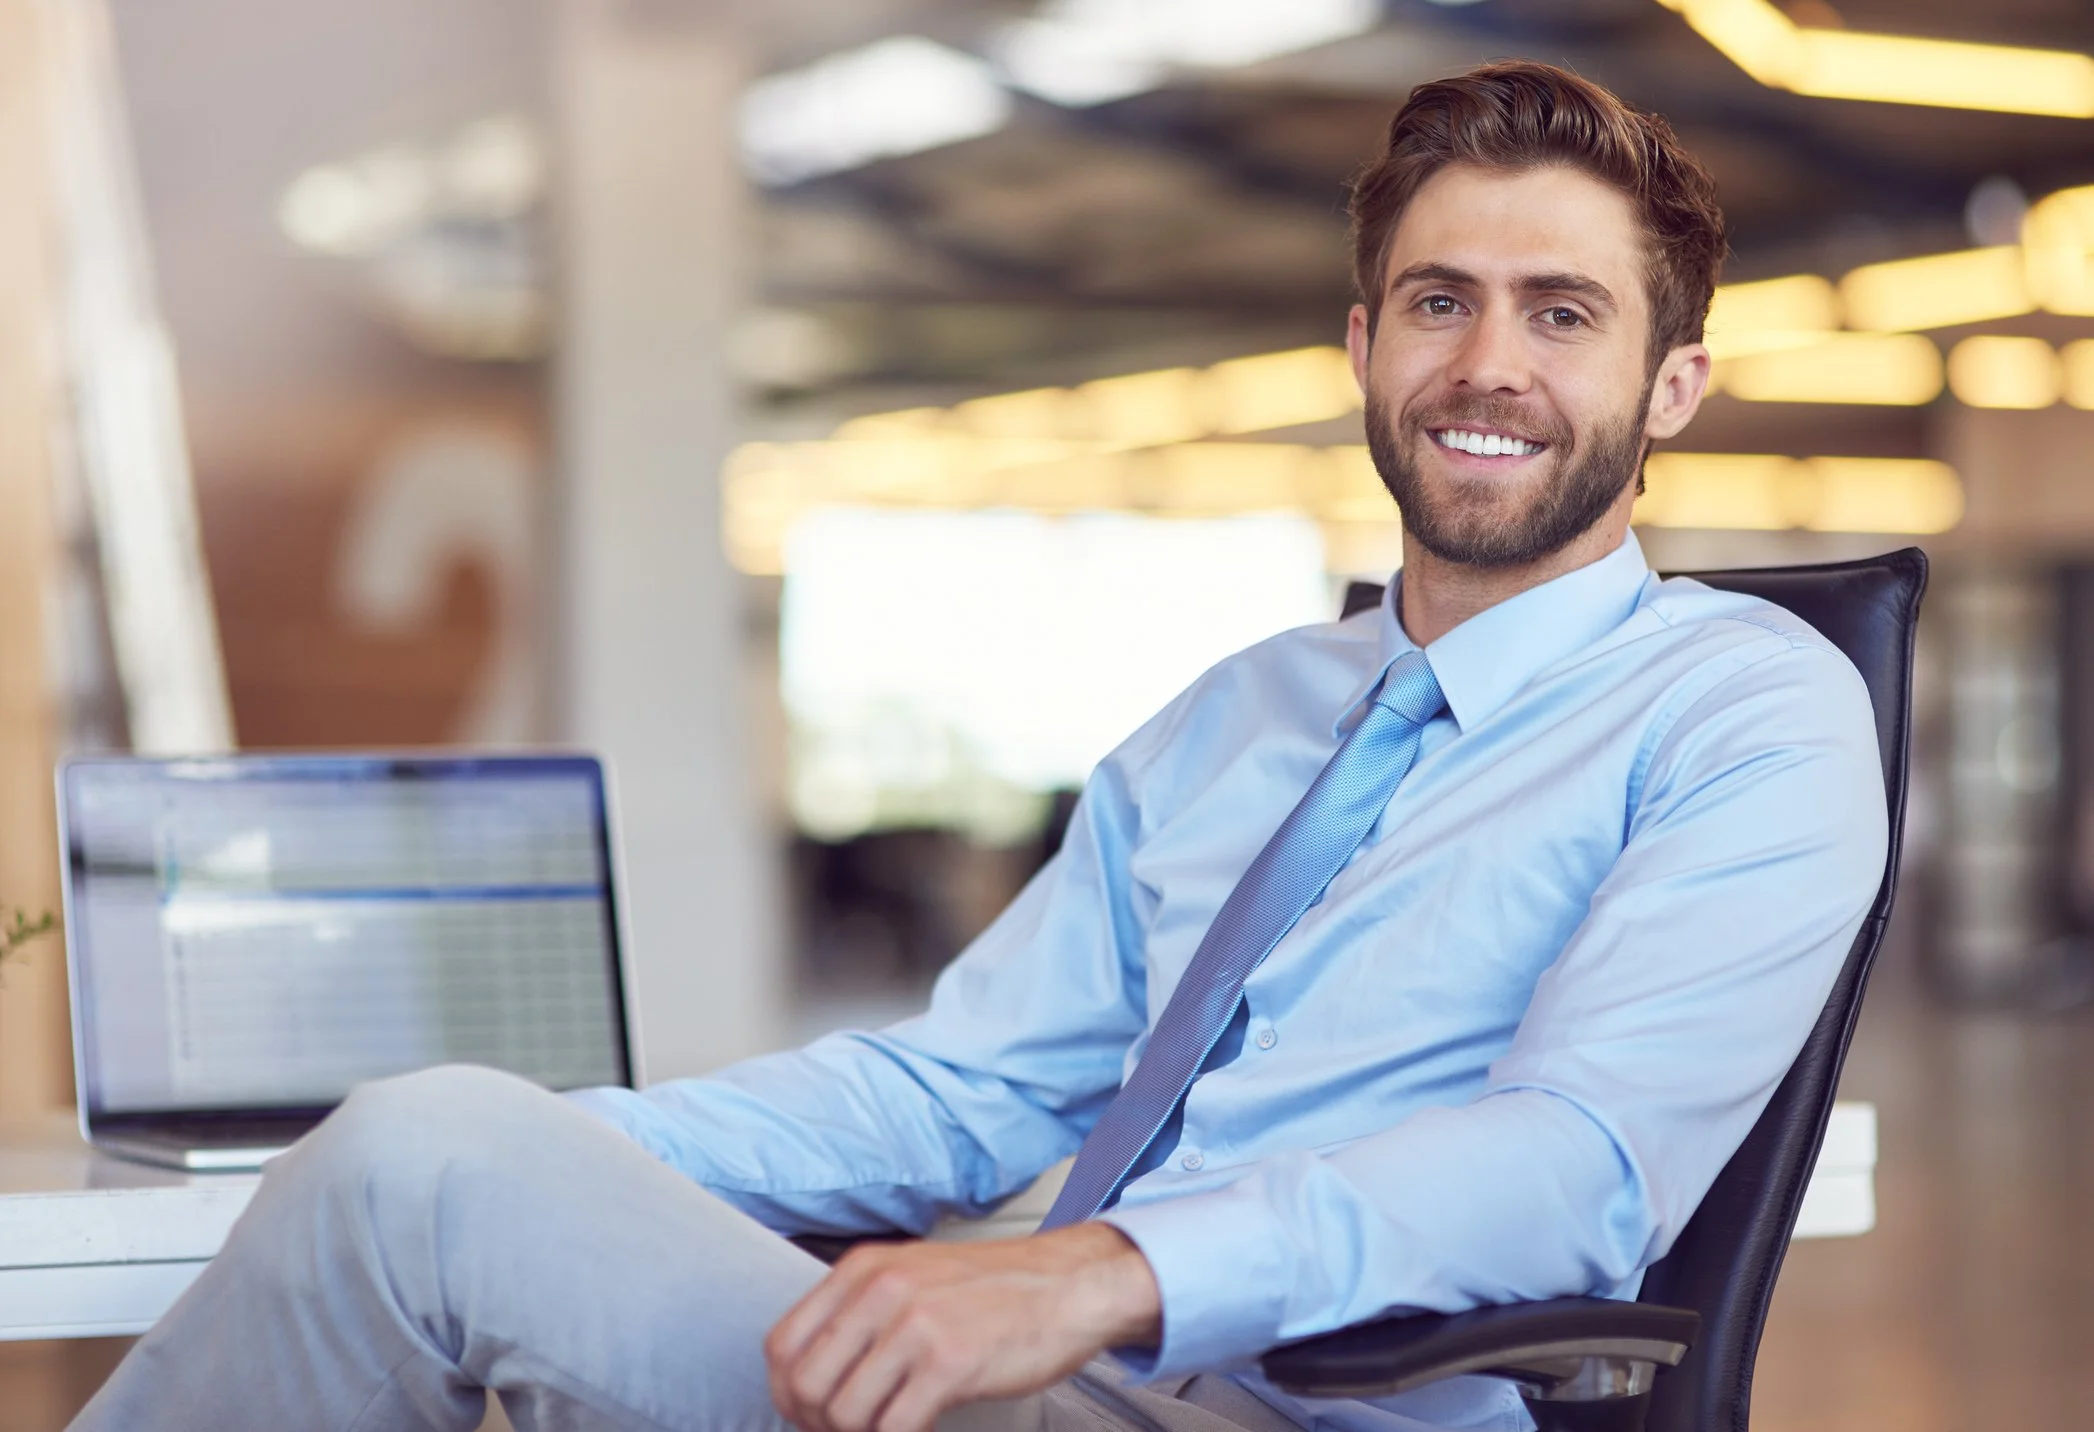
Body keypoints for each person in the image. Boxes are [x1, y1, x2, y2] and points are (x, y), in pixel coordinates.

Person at [71, 59, 1887, 1432]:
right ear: (1362, 346)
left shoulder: (1742, 707)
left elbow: (1573, 1166)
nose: (1486, 363)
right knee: (434, 1156)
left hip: (1280, 1406)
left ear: (1668, 389)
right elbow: (964, 1095)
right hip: (1041, 1385)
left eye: (1560, 314)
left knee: (422, 1171)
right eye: (1440, 300)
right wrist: (582, 1147)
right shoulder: (1244, 711)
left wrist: (1098, 1274)